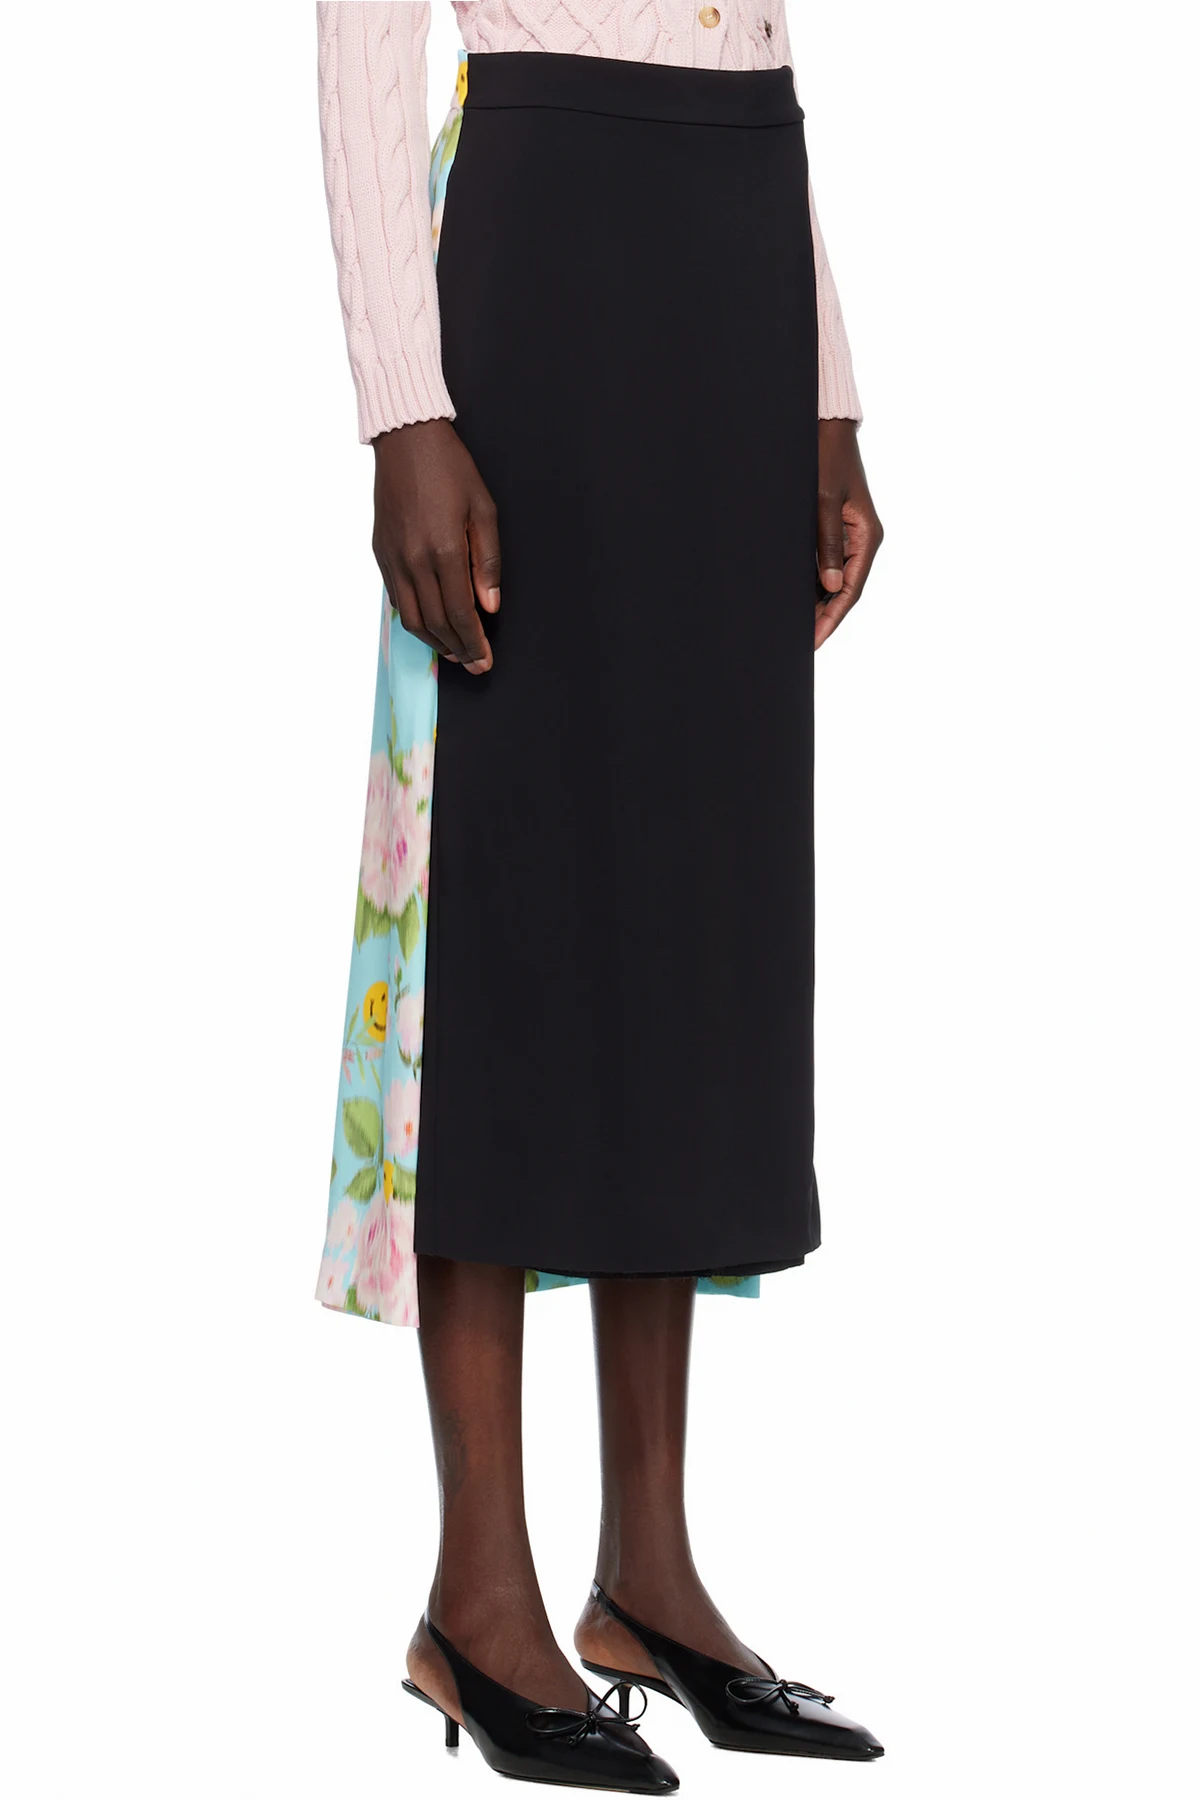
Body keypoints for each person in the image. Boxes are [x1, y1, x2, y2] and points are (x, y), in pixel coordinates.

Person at [314, 4, 884, 1789]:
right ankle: (478, 1596)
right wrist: (403, 404)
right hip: (541, 235)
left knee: (693, 918)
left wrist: (827, 383)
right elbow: (360, 34)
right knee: (516, 904)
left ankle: (650, 1574)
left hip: (738, 234)